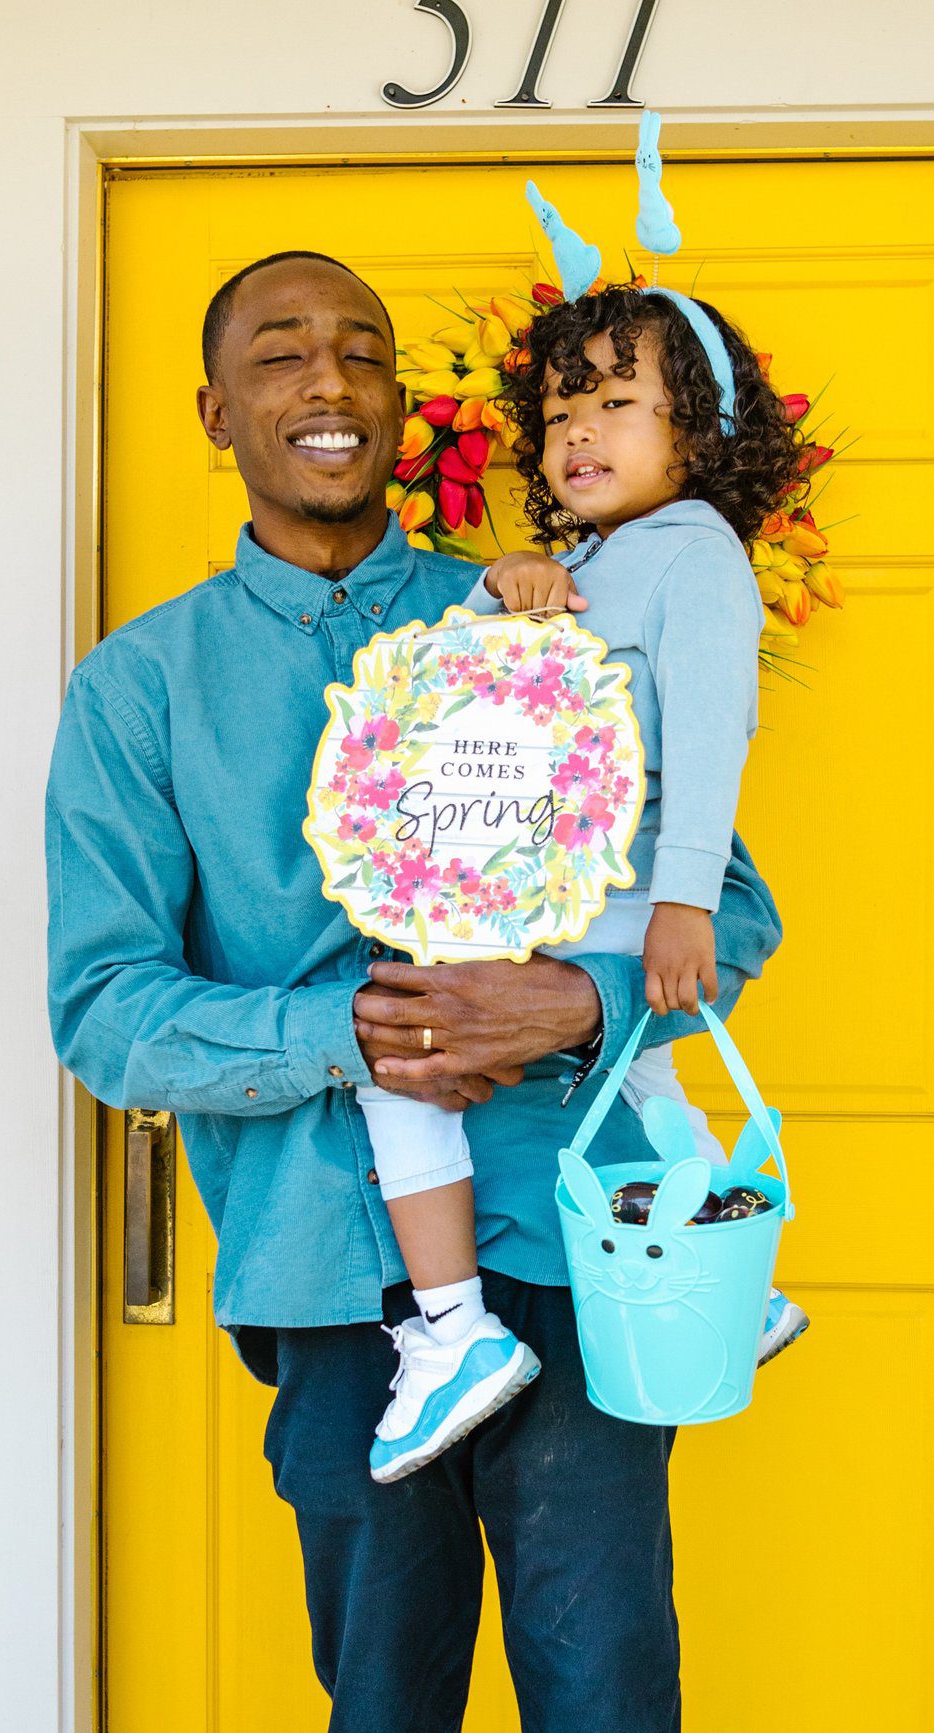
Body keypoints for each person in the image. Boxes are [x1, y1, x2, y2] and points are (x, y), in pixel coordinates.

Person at [45, 247, 782, 1733]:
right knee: (385, 1701)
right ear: (214, 410)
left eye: (361, 351)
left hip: (571, 1248)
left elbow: (733, 907)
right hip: (326, 1273)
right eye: (279, 353)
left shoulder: (540, 613)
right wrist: (345, 1037)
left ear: (397, 402)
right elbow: (105, 1011)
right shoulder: (143, 685)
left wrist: (575, 1006)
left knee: (608, 1690)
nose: (327, 380)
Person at [352, 277, 812, 1487]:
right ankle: (742, 1284)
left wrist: (686, 899)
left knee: (403, 1058)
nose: (579, 433)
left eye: (617, 403)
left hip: (606, 892)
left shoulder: (697, 557)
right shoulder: (608, 557)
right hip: (554, 879)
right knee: (639, 1081)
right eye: (561, 411)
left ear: (697, 434)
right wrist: (503, 582)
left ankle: (451, 1332)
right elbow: (475, 703)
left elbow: (715, 732)